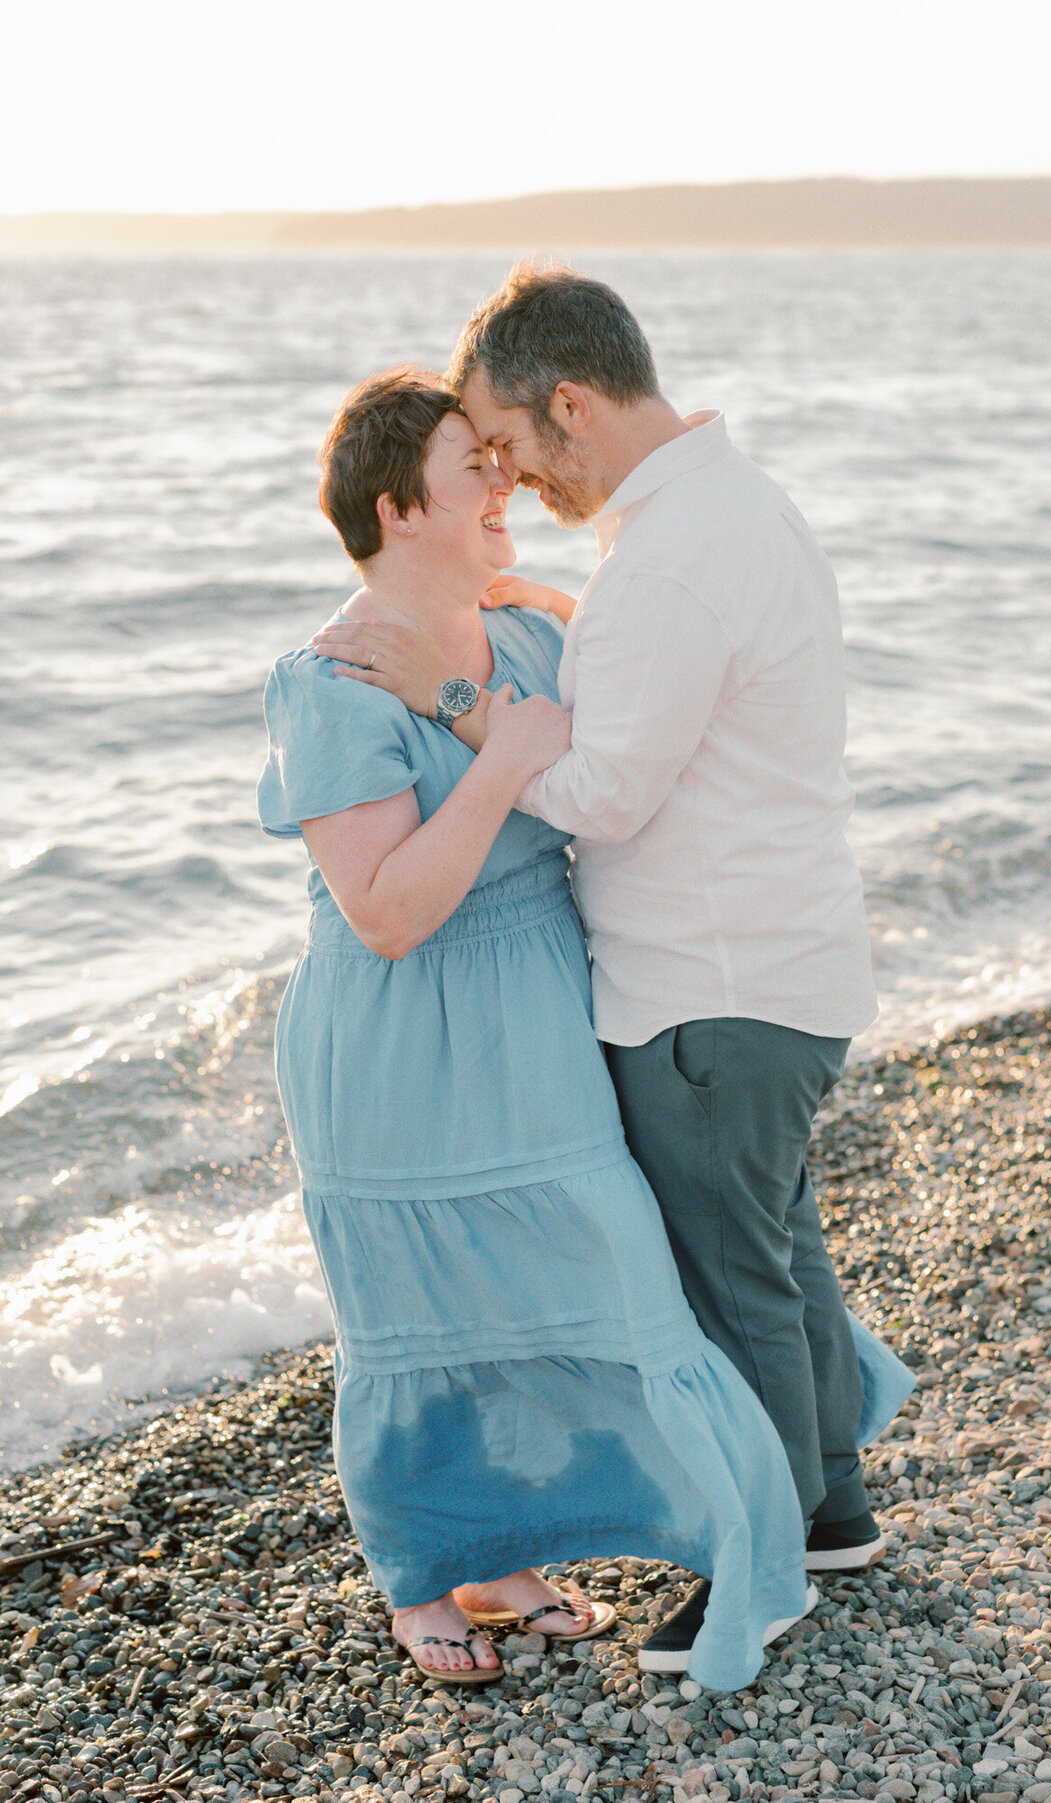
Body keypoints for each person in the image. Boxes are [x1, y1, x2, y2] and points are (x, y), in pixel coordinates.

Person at [258, 365, 901, 1694]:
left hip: (543, 1028)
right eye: (467, 464)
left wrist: (538, 621)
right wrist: (496, 758)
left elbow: (617, 749)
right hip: (401, 1042)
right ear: (395, 505)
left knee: (601, 1283)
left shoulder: (529, 645)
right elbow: (383, 912)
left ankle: (572, 1550)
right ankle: (425, 1577)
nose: (503, 481)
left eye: (497, 456)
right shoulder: (333, 679)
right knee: (421, 1314)